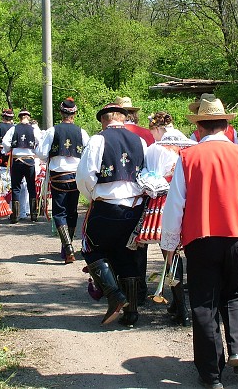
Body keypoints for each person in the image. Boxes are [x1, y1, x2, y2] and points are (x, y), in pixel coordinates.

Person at [161, 97, 238, 389]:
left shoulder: (188, 158)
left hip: (200, 238)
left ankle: (211, 374)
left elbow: (176, 204)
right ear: (227, 126)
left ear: (199, 128)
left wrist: (169, 241)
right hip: (237, 236)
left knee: (204, 302)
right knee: (235, 293)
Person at [77, 103, 148, 327]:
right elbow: (146, 173)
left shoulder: (99, 139)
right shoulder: (140, 141)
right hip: (135, 206)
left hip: (107, 205)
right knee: (125, 254)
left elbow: (85, 175)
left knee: (90, 247)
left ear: (103, 120)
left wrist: (93, 195)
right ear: (123, 119)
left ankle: (115, 296)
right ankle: (132, 312)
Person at [130, 111, 196, 326]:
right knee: (180, 253)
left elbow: (148, 177)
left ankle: (180, 308)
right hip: (189, 202)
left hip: (163, 202)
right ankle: (180, 305)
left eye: (153, 131)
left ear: (157, 128)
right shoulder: (190, 145)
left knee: (169, 254)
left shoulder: (155, 149)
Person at [36, 97, 90, 264]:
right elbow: (88, 153)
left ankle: (68, 248)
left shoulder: (52, 131)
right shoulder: (82, 132)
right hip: (75, 176)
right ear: (74, 114)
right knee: (72, 211)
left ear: (61, 113)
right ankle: (68, 247)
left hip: (58, 176)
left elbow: (41, 154)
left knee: (59, 212)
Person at [113, 96, 154, 302]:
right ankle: (139, 287)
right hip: (141, 194)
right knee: (139, 241)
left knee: (117, 242)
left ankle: (121, 287)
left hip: (114, 195)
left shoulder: (108, 134)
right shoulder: (146, 134)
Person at [2, 109, 41, 223]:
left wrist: (9, 149)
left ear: (19, 118)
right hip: (29, 161)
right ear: (28, 117)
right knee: (31, 187)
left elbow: (5, 142)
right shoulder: (33, 129)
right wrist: (35, 151)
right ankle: (33, 215)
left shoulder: (14, 128)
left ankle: (15, 216)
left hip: (17, 160)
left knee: (16, 188)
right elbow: (41, 141)